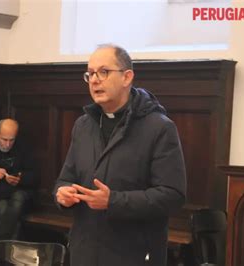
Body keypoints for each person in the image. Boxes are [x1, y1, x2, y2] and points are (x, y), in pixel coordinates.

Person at [54, 44, 187, 266]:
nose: (95, 80)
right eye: (90, 74)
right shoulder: (83, 125)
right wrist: (62, 194)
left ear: (127, 77)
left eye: (104, 72)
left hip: (133, 254)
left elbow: (172, 195)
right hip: (85, 251)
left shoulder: (159, 127)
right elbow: (66, 178)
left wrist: (113, 201)